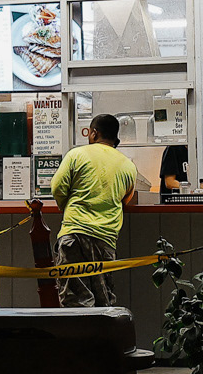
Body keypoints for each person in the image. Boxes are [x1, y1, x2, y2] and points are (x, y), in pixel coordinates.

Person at [49, 114, 137, 307]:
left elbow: (57, 188)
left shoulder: (77, 154)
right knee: (103, 301)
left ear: (94, 133)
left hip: (74, 235)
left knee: (75, 302)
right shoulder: (128, 166)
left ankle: (79, 328)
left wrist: (66, 206)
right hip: (105, 239)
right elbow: (126, 199)